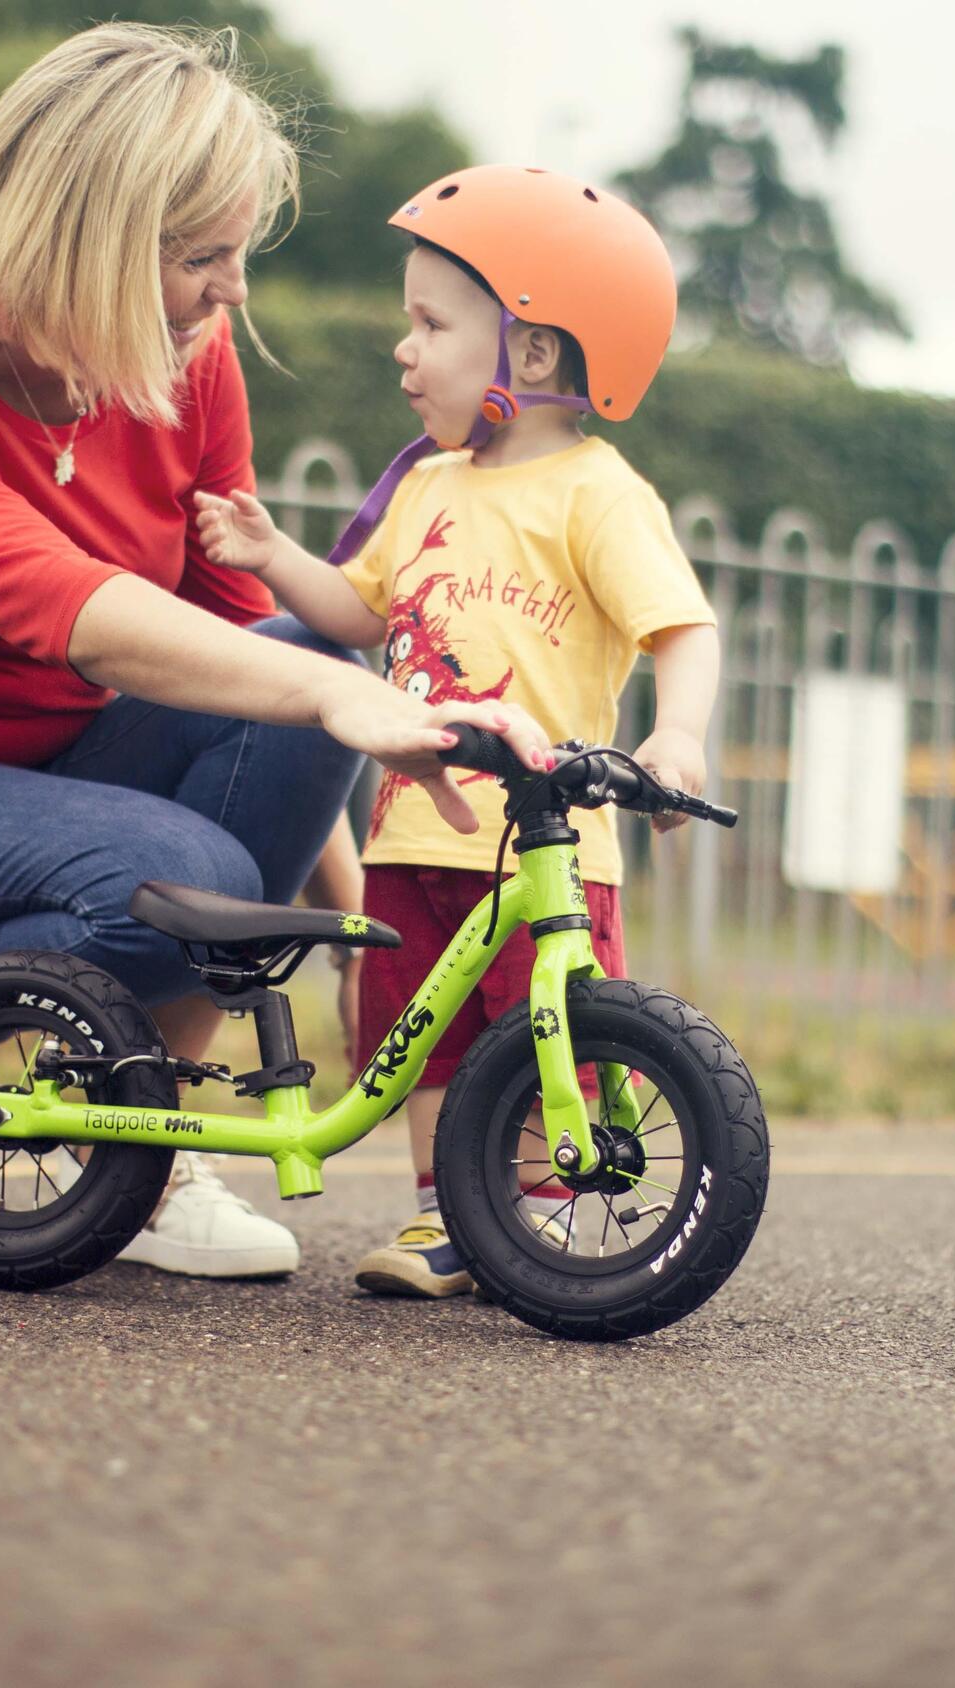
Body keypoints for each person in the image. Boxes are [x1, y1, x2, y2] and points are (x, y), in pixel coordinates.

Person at [0, 27, 554, 1270]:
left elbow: (241, 662)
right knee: (178, 862)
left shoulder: (179, 359)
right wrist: (331, 696)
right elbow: (72, 607)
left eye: (239, 252)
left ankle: (147, 1142)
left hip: (50, 795)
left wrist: (365, 932)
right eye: (204, 257)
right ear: (88, 236)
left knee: (308, 647)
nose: (234, 292)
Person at [190, 164, 723, 1299]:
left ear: (532, 354)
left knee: (544, 1034)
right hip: (413, 839)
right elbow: (355, 612)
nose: (404, 348)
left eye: (431, 324)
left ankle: (520, 1211)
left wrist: (677, 742)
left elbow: (682, 627)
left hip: (542, 850)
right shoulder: (428, 484)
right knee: (412, 1041)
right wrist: (271, 552)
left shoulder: (598, 495)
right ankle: (446, 1215)